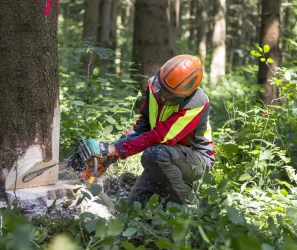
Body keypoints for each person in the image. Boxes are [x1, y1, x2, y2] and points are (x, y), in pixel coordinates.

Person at [85, 54, 215, 207]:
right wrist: (110, 152)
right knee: (132, 209)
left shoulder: (196, 103)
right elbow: (144, 125)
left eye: (171, 96)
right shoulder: (154, 87)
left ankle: (188, 205)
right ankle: (169, 196)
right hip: (164, 155)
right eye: (163, 91)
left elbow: (159, 136)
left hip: (195, 158)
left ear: (186, 94)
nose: (164, 98)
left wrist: (116, 149)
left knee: (154, 155)